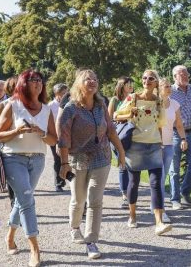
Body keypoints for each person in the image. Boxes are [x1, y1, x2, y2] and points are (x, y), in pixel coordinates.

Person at [57, 69, 126, 259]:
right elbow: (63, 139)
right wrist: (64, 164)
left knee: (95, 201)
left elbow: (111, 130)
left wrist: (121, 152)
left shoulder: (101, 104)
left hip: (101, 157)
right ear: (80, 83)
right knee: (79, 200)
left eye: (95, 79)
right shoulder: (71, 108)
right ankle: (74, 227)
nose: (93, 82)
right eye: (88, 79)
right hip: (77, 159)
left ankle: (91, 241)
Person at [0, 69, 57, 267]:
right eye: (32, 80)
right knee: (28, 200)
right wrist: (17, 130)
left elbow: (53, 139)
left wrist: (41, 133)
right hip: (14, 158)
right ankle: (34, 249)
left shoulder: (46, 109)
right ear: (23, 83)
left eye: (40, 80)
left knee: (23, 199)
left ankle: (10, 236)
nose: (38, 83)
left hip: (37, 159)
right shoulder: (13, 105)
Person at [114, 69, 172, 235]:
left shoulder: (159, 101)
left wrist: (160, 144)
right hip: (136, 145)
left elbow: (160, 125)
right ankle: (132, 216)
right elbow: (116, 115)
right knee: (134, 182)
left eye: (151, 78)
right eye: (144, 78)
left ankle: (159, 222)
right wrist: (128, 114)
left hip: (153, 145)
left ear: (156, 83)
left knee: (156, 183)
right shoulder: (133, 98)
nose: (147, 80)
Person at [169, 65, 191, 210]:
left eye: (187, 74)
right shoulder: (170, 92)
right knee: (174, 168)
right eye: (182, 74)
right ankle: (175, 199)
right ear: (175, 77)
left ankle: (185, 191)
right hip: (175, 133)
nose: (185, 76)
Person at [159, 77, 187, 223]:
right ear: (159, 88)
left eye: (170, 86)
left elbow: (179, 124)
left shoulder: (174, 104)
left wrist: (183, 139)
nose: (169, 88)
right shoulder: (154, 103)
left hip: (169, 145)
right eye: (166, 86)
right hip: (155, 145)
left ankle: (158, 207)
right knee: (160, 176)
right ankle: (161, 210)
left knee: (162, 177)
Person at [108, 76, 134, 208]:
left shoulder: (135, 98)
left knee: (131, 164)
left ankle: (130, 191)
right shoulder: (115, 100)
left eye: (132, 84)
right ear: (121, 86)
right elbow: (109, 118)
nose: (131, 86)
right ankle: (125, 194)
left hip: (132, 134)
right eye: (128, 84)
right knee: (123, 164)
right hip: (118, 134)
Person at [0, 76, 17, 206]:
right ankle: (14, 206)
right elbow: (0, 130)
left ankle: (20, 208)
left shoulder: (31, 103)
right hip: (9, 148)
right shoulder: (2, 105)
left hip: (27, 150)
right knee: (12, 181)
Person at [48, 83, 68, 192]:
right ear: (57, 94)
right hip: (55, 137)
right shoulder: (50, 106)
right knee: (57, 159)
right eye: (63, 93)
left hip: (68, 136)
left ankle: (70, 178)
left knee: (68, 159)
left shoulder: (70, 104)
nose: (65, 95)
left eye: (66, 92)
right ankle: (59, 183)